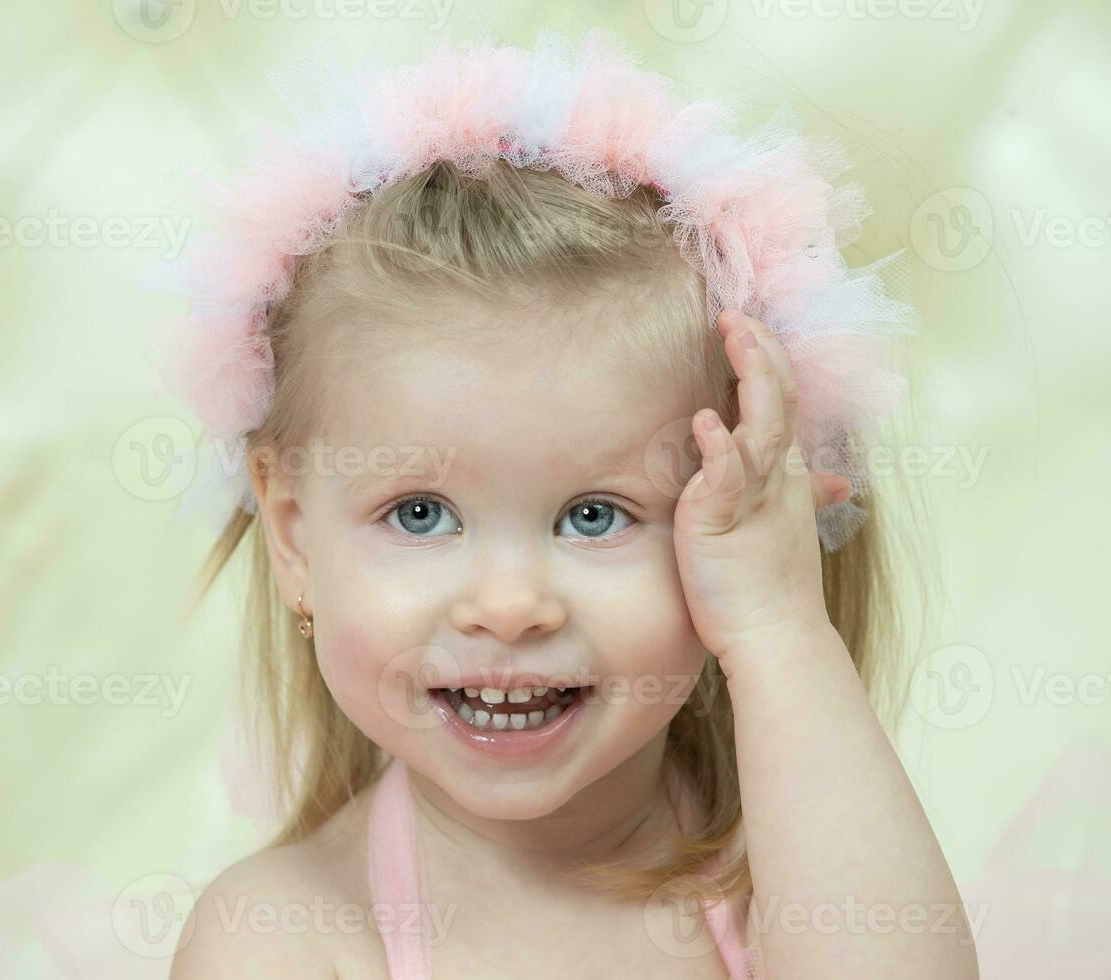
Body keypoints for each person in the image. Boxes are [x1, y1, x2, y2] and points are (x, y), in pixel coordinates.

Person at [164, 27, 978, 980]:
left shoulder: (791, 891)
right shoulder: (288, 938)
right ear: (294, 535)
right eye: (420, 514)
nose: (509, 606)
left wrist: (776, 627)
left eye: (596, 515)